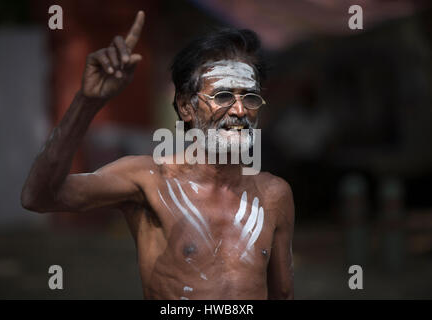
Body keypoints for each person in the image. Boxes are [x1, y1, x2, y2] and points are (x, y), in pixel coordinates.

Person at [21, 11, 294, 300]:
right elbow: (39, 197)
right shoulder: (149, 181)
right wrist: (88, 102)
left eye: (249, 98)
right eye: (223, 96)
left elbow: (283, 293)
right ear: (186, 107)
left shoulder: (274, 194)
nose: (240, 111)